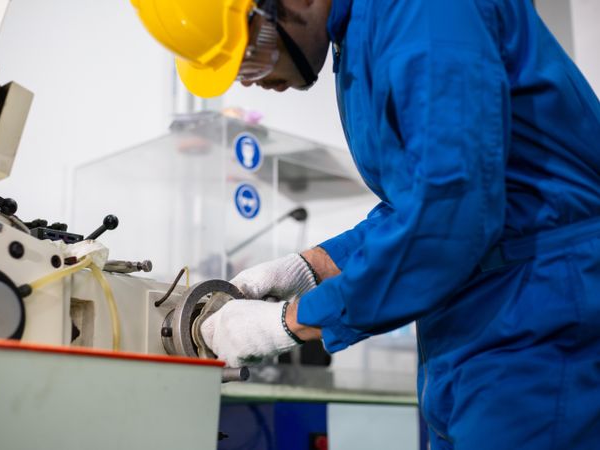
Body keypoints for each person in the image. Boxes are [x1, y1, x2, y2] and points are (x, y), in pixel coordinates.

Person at [132, 0, 600, 447]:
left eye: (253, 54)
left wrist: (287, 322)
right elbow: (416, 206)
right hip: (476, 321)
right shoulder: (358, 34)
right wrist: (309, 266)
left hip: (541, 310)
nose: (257, 81)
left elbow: (452, 213)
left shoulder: (425, 12)